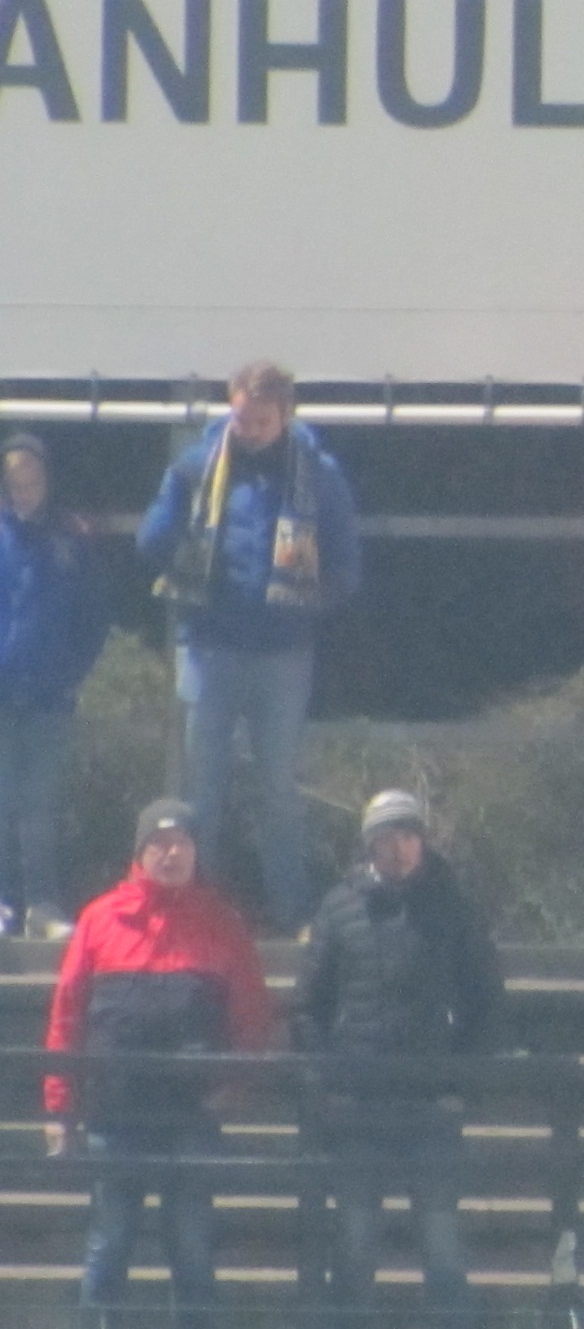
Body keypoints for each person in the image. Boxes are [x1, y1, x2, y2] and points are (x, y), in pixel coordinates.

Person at [47, 801, 273, 1329]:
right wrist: (60, 1107)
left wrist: (235, 1086)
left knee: (192, 1255)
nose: (173, 854)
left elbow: (253, 1016)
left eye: (183, 843)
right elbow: (67, 1015)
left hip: (190, 1120)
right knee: (108, 1253)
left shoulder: (222, 922)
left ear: (197, 853)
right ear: (140, 852)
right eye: (161, 843)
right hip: (114, 1117)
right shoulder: (99, 919)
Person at [295, 790, 506, 1329]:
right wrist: (330, 1080)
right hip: (357, 1113)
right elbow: (308, 1006)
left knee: (443, 1252)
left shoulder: (454, 908)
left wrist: (460, 1085)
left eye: (409, 835)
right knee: (354, 1252)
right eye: (387, 837)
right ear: (369, 845)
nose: (399, 847)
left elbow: (487, 1002)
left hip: (429, 1111)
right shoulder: (338, 908)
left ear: (423, 840)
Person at [139, 362, 362, 927]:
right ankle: (194, 917)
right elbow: (151, 541)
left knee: (279, 792)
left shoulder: (317, 473)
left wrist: (308, 604)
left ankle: (292, 915)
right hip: (209, 648)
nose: (250, 430)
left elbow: (346, 564)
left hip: (284, 655)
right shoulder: (197, 465)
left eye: (262, 421)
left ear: (286, 415)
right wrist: (178, 511)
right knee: (201, 794)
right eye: (241, 418)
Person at [0, 433, 113, 940]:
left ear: (48, 479)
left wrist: (70, 674)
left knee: (40, 805)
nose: (24, 491)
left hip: (50, 698)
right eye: (14, 482)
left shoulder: (73, 538)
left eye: (32, 480)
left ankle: (42, 905)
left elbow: (94, 618)